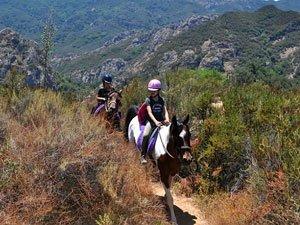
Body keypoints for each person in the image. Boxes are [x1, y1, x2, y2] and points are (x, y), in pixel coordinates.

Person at [140, 79, 170, 164]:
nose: (151, 93)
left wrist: (167, 119)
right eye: (150, 91)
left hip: (162, 121)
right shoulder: (148, 100)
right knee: (146, 135)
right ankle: (143, 155)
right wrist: (156, 122)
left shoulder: (162, 100)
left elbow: (165, 111)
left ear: (158, 90)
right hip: (152, 122)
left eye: (154, 91)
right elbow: (149, 112)